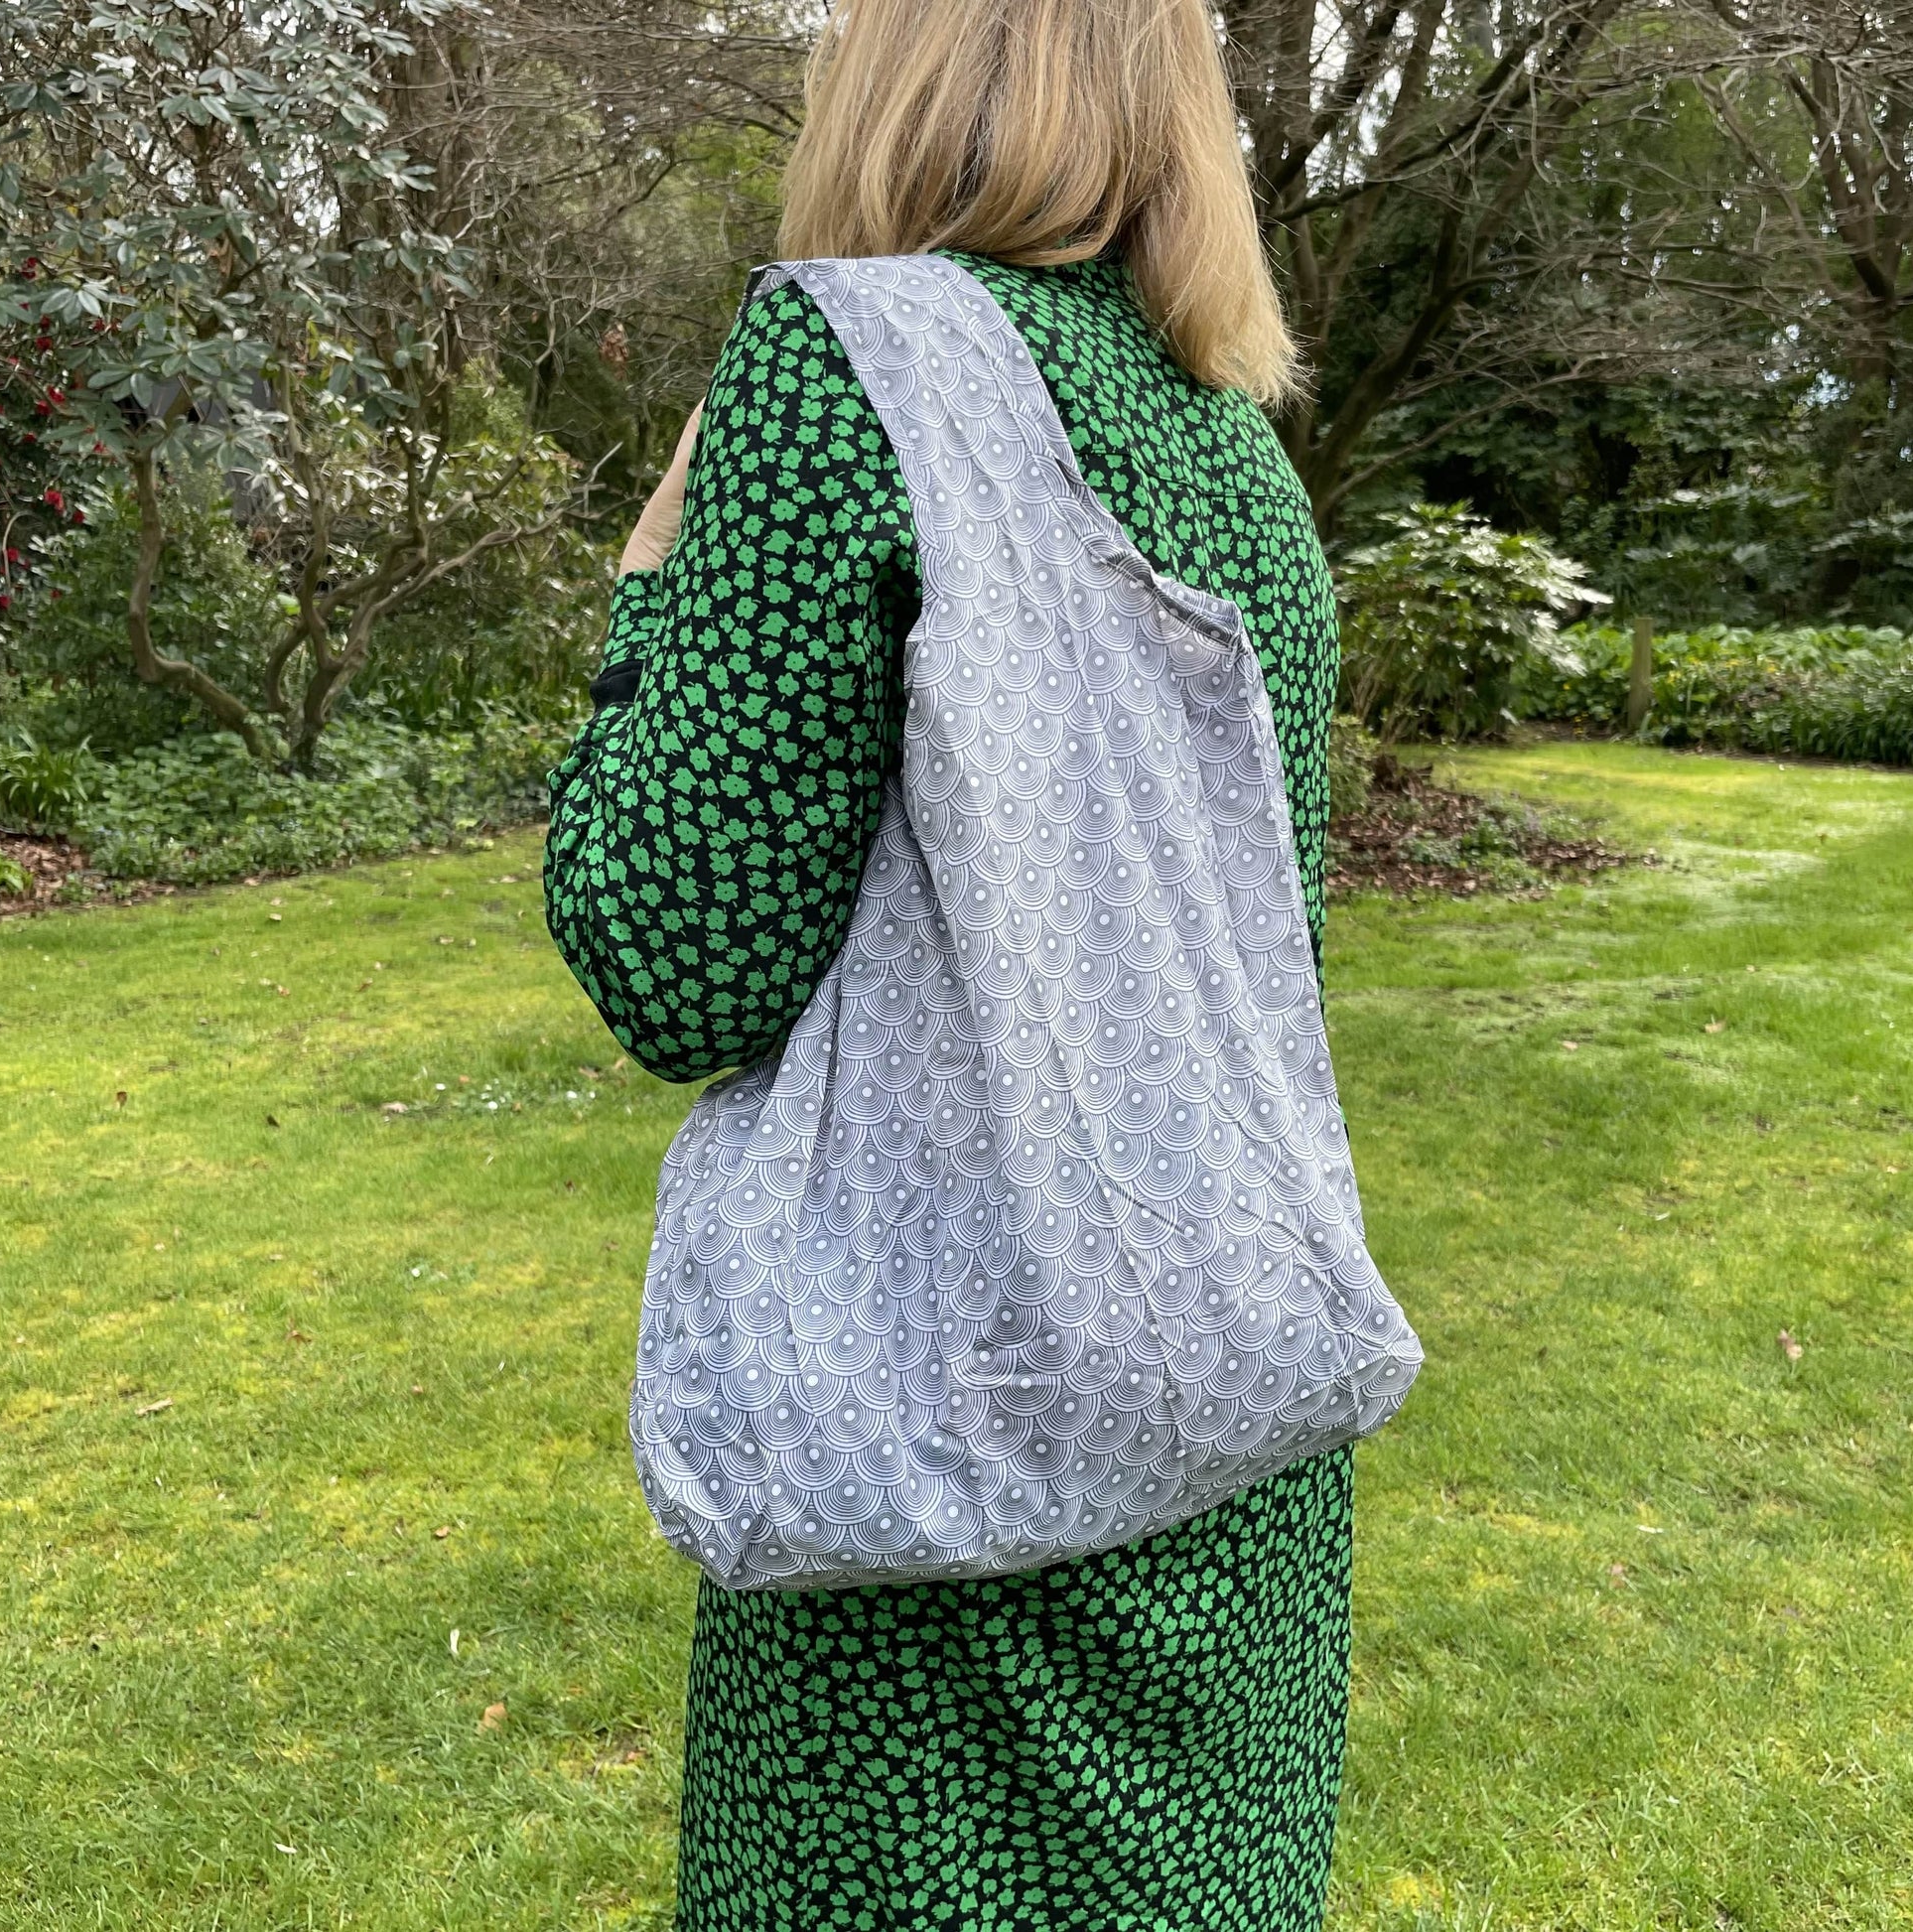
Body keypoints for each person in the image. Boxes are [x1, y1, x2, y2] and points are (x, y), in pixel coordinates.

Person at [543, 0, 1351, 1923]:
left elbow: (673, 943)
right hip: (1227, 1488)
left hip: (936, 1517)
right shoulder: (1242, 460)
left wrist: (650, 589)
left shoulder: (845, 370)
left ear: (894, 65)